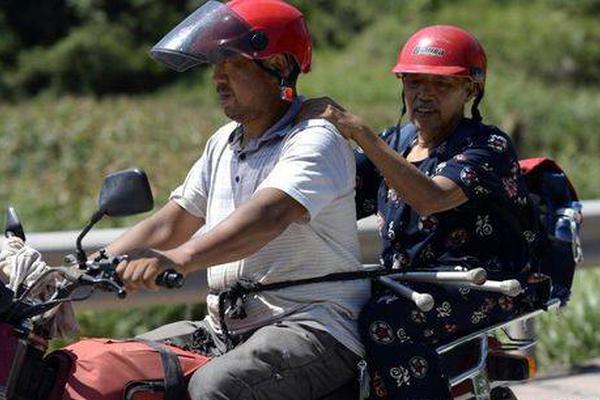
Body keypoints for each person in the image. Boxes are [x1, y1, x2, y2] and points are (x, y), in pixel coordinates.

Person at [104, 1, 370, 399]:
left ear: (279, 66)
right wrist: (86, 266)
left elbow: (270, 214)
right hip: (225, 328)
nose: (218, 76)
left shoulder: (315, 137)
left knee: (216, 387)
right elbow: (171, 223)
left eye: (232, 61)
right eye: (215, 63)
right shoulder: (223, 142)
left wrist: (180, 258)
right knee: (123, 366)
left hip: (313, 326)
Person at [299, 25, 546, 399]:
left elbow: (430, 197)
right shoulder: (396, 143)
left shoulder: (486, 145)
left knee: (384, 318)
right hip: (407, 285)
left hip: (481, 285)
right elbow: (333, 198)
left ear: (470, 89)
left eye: (442, 85)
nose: (424, 95)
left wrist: (360, 132)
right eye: (414, 82)